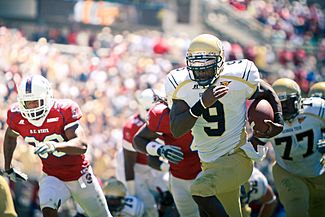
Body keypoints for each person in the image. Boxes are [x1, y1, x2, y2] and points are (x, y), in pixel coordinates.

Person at [166, 34, 284, 217]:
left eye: (207, 66)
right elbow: (177, 128)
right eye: (197, 66)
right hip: (208, 163)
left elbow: (266, 90)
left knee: (199, 190)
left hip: (236, 157)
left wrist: (279, 118)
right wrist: (202, 104)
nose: (202, 71)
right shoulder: (180, 82)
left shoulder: (238, 76)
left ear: (220, 62)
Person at [2, 74, 112, 217]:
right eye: (28, 103)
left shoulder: (62, 110)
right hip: (52, 175)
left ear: (47, 98)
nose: (32, 107)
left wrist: (55, 146)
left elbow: (82, 145)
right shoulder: (17, 115)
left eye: (36, 102)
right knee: (47, 207)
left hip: (80, 176)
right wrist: (8, 167)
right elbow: (10, 136)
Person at [251, 78, 325, 217]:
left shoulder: (316, 108)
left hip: (317, 168)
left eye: (286, 103)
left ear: (298, 100)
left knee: (319, 210)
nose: (282, 109)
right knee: (296, 207)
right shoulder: (269, 118)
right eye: (279, 104)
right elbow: (254, 144)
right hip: (287, 170)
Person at [133, 95, 201, 217]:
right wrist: (160, 150)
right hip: (178, 177)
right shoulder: (161, 116)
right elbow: (138, 141)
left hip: (206, 171)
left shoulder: (205, 104)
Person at [116, 88, 168, 217]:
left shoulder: (166, 120)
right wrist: (132, 193)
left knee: (169, 194)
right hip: (136, 168)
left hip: (154, 166)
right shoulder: (132, 127)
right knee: (148, 205)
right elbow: (129, 164)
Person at [75, 177, 144, 217]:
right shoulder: (93, 202)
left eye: (115, 201)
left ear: (123, 199)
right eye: (110, 200)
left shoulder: (132, 207)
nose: (112, 204)